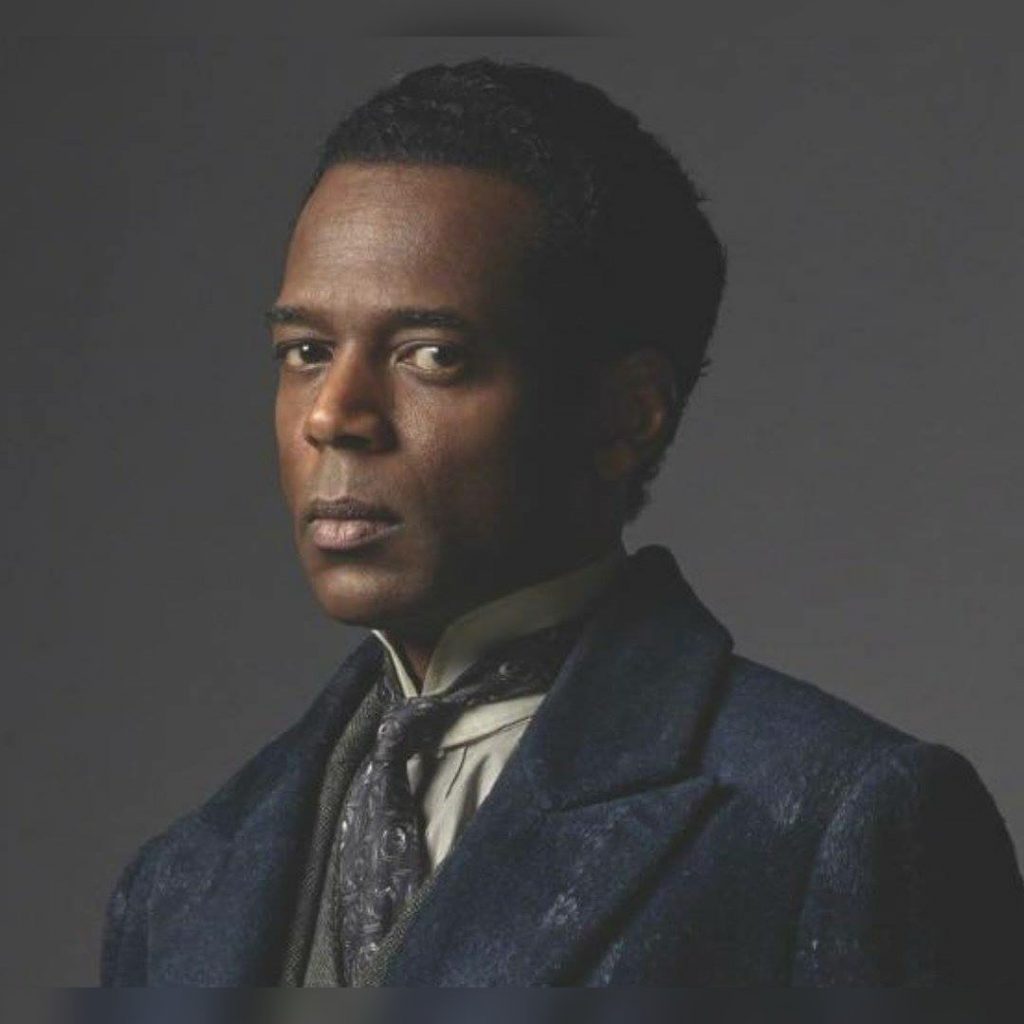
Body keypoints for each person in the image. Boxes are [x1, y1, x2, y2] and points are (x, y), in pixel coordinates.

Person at [100, 59, 1024, 986]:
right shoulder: (177, 882)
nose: (333, 414)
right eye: (305, 350)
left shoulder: (845, 822)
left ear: (627, 416)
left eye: (433, 355)